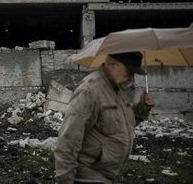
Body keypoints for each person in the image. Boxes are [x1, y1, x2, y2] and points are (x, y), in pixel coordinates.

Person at [54, 51, 155, 184]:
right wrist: (65, 181)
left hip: (108, 176)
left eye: (134, 74)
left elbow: (123, 124)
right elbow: (68, 140)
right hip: (88, 177)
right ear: (112, 64)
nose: (132, 78)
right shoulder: (90, 91)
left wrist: (142, 107)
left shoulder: (117, 90)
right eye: (129, 72)